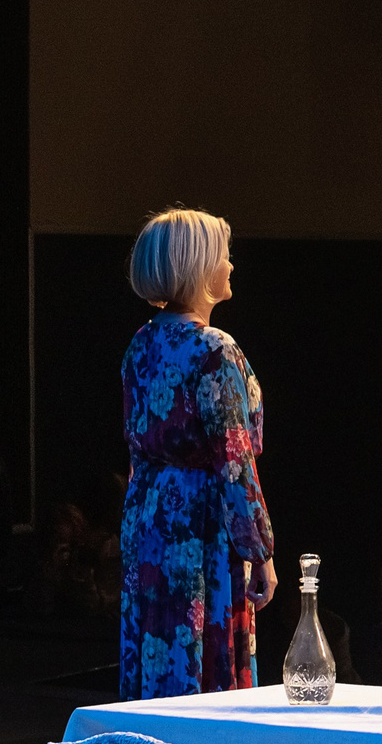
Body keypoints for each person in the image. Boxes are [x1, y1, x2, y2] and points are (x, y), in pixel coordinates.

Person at [118, 208, 277, 698]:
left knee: (156, 656)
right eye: (223, 255)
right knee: (202, 666)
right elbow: (235, 463)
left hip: (147, 522)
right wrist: (261, 551)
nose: (230, 265)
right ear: (200, 266)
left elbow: (136, 449)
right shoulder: (215, 351)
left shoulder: (141, 345)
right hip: (198, 527)